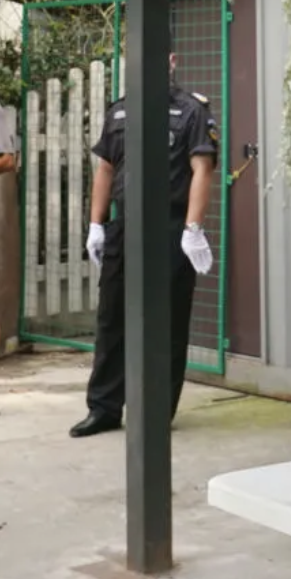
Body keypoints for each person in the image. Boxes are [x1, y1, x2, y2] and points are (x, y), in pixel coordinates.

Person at [72, 53, 218, 438]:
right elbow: (106, 168)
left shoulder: (191, 111)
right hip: (125, 226)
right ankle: (103, 408)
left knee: (167, 322)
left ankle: (156, 412)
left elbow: (202, 169)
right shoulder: (119, 111)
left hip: (170, 227)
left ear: (171, 60)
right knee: (111, 318)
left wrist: (192, 228)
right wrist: (96, 225)